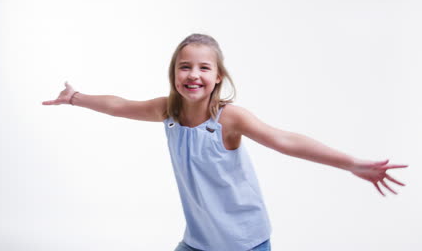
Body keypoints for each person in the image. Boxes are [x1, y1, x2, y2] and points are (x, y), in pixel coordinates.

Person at [42, 33, 408, 251]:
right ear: (174, 74)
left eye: (204, 68)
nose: (193, 74)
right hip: (199, 241)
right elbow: (119, 105)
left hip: (243, 242)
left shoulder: (227, 118)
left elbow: (285, 140)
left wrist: (351, 162)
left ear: (218, 77)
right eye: (185, 66)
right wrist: (76, 97)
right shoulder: (167, 111)